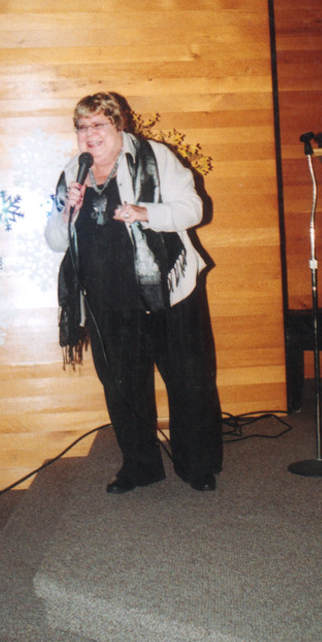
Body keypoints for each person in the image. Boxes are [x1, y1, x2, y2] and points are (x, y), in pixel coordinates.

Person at [45, 92, 222, 494]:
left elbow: (194, 209)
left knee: (188, 379)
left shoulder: (154, 157)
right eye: (82, 127)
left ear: (118, 125)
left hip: (167, 289)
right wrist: (68, 211)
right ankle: (140, 466)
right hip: (107, 298)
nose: (89, 134)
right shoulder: (73, 171)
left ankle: (197, 465)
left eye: (98, 124)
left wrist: (146, 212)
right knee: (122, 385)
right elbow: (55, 240)